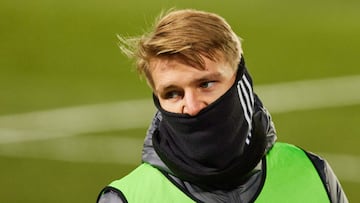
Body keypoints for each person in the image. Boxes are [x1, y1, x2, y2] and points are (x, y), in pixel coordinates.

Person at [97, 9, 348, 203]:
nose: (193, 107)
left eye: (206, 84)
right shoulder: (129, 198)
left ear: (241, 81)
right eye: (173, 93)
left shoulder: (314, 175)